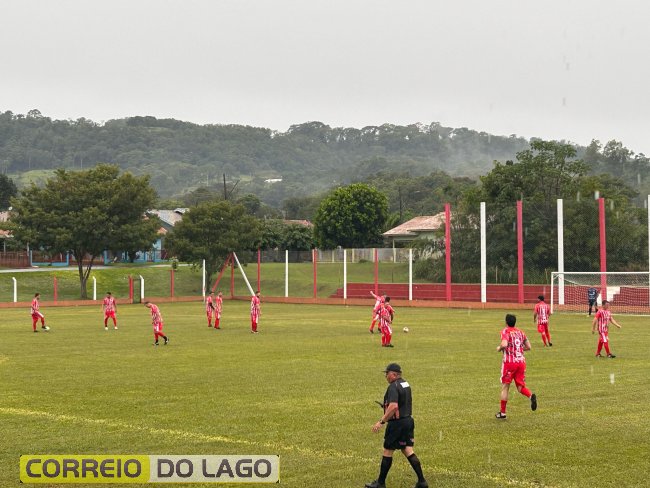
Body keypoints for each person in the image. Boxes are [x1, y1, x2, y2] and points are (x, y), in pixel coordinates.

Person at [365, 363, 428, 488]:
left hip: (397, 424)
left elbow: (394, 406)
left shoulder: (393, 387)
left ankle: (380, 483)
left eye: (387, 373)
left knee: (388, 451)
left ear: (394, 374)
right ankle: (422, 482)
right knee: (407, 450)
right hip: (408, 421)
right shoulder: (405, 384)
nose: (386, 376)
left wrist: (381, 421)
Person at [496, 314, 537, 419]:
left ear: (506, 322)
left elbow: (504, 344)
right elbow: (529, 347)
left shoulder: (505, 331)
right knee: (520, 387)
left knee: (505, 387)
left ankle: (502, 413)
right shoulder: (521, 332)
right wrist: (518, 349)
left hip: (510, 363)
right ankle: (530, 396)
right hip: (521, 362)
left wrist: (499, 348)